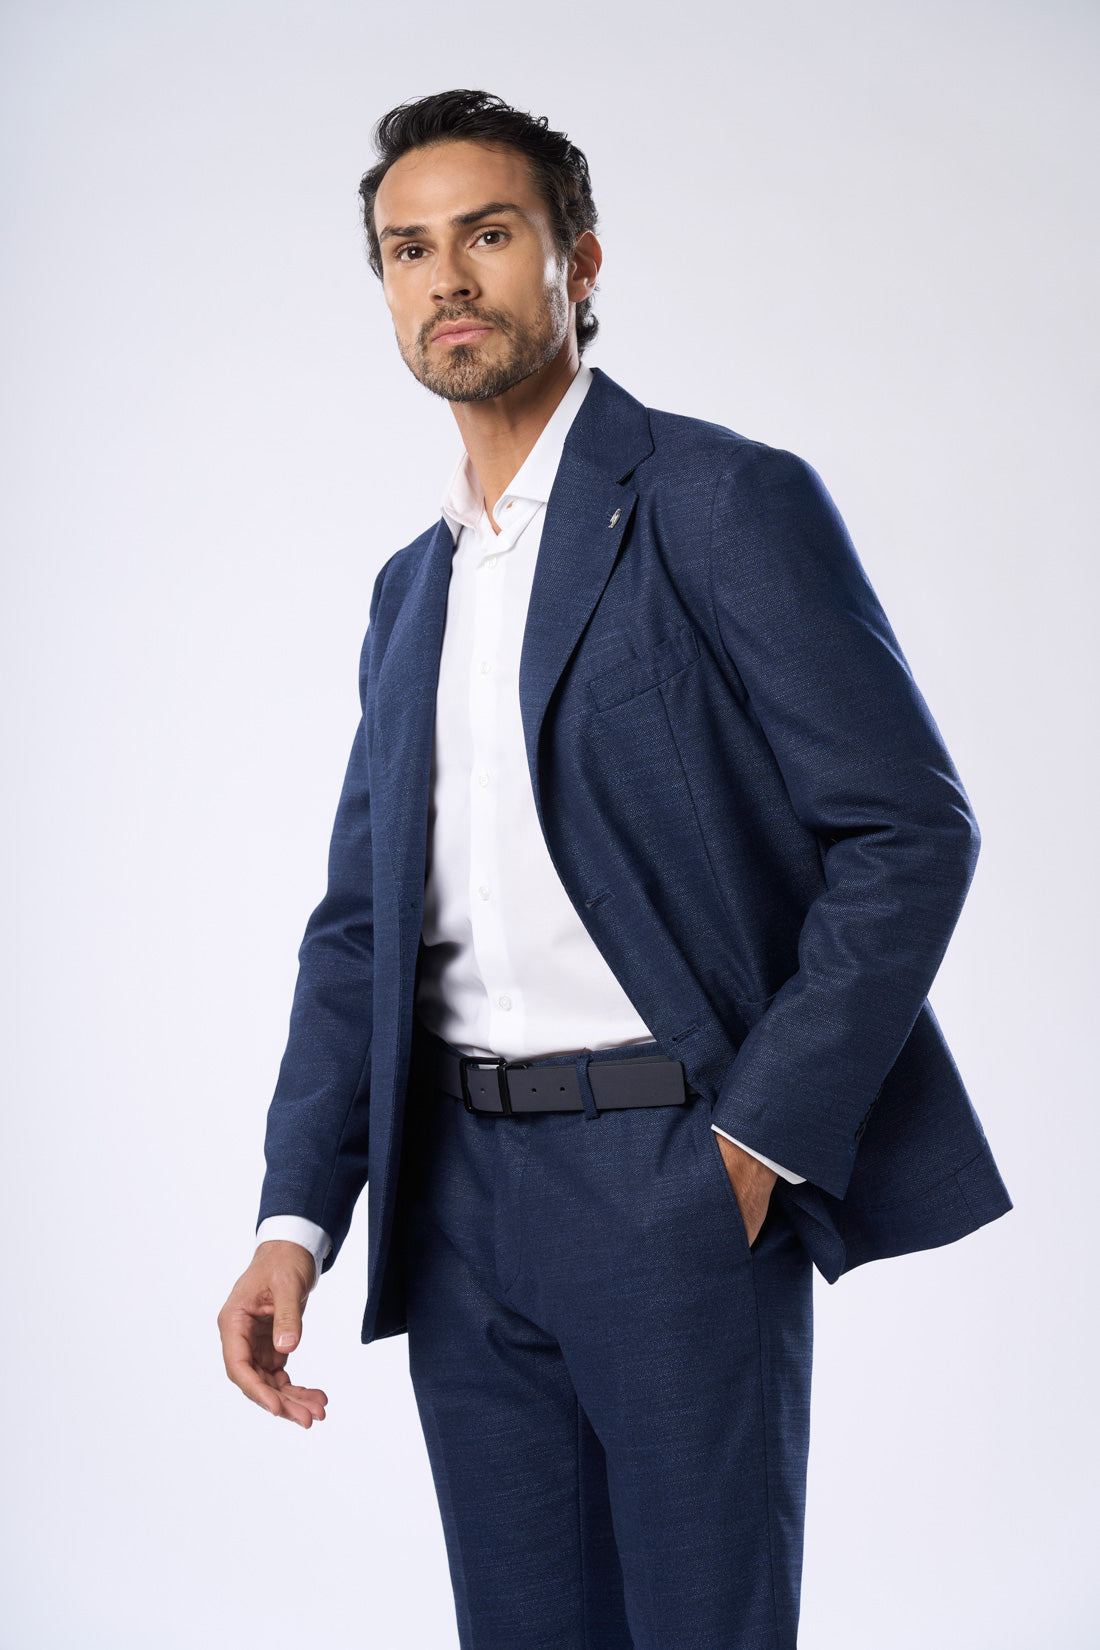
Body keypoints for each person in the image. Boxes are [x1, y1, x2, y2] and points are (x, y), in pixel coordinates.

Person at [217, 89, 1013, 1649]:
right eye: (409, 249)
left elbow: (909, 831)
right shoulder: (409, 591)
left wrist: (755, 1143)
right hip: (454, 1206)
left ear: (577, 262)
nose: (447, 278)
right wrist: (294, 1219)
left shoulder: (720, 501)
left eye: (488, 235)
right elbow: (362, 932)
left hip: (670, 1176)